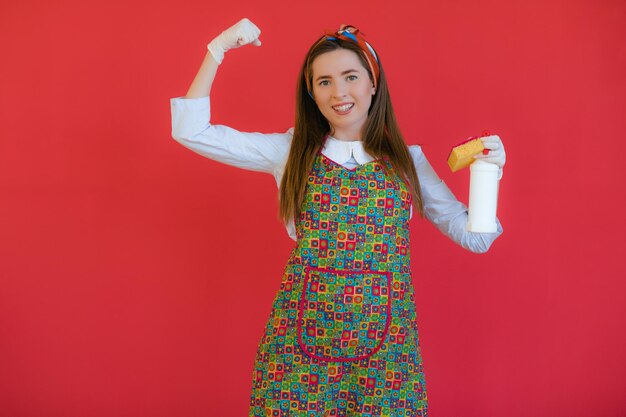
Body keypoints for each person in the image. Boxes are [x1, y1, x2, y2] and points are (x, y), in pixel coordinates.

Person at [170, 17, 506, 417]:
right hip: (298, 350)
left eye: (350, 76)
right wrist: (217, 50)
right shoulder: (291, 151)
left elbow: (477, 239)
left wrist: (489, 174)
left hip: (386, 358)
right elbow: (192, 132)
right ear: (311, 93)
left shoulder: (408, 162)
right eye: (324, 82)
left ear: (373, 83)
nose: (339, 92)